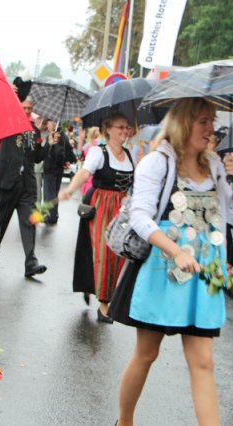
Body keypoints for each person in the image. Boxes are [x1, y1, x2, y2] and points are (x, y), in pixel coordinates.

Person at [109, 98, 233, 425]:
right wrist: (177, 251)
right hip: (161, 269)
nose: (211, 129)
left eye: (212, 121)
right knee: (146, 354)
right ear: (184, 123)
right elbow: (140, 218)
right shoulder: (157, 162)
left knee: (203, 363)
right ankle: (124, 421)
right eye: (203, 121)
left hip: (203, 273)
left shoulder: (214, 165)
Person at [59, 111, 134, 320]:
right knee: (104, 252)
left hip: (122, 208)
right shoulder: (98, 152)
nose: (125, 131)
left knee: (120, 254)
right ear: (107, 129)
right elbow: (84, 173)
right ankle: (103, 305)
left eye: (127, 127)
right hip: (102, 205)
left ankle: (97, 288)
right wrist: (70, 189)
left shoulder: (129, 155)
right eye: (120, 127)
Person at [0, 93, 46, 277]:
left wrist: (48, 144)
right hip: (7, 180)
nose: (26, 111)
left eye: (29, 108)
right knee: (1, 218)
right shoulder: (7, 122)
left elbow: (36, 157)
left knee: (29, 221)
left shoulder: (34, 131)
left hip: (27, 183)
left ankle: (31, 263)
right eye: (23, 107)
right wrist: (8, 96)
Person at [43, 120, 77, 224]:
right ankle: (54, 214)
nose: (47, 125)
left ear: (53, 124)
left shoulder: (53, 136)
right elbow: (70, 153)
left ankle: (51, 216)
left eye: (48, 123)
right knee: (54, 193)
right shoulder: (64, 136)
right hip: (59, 169)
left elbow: (57, 152)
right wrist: (66, 161)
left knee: (50, 194)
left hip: (50, 168)